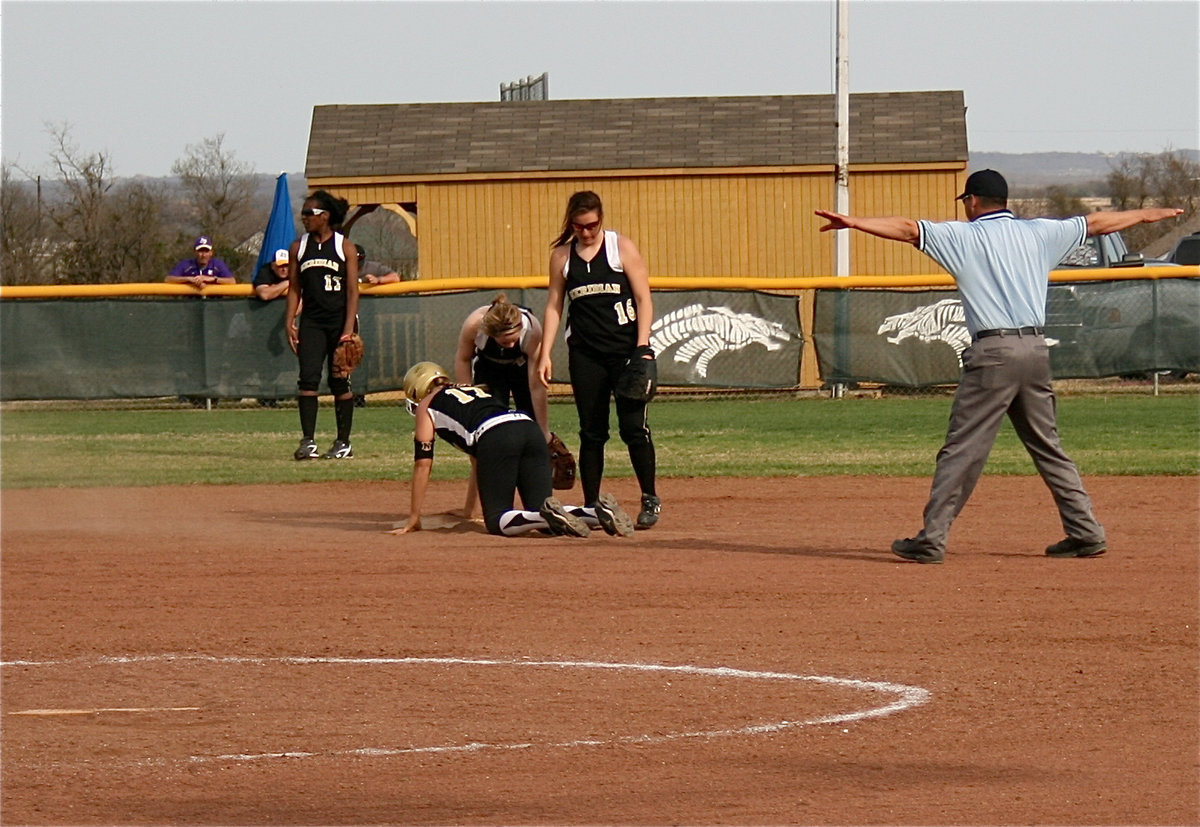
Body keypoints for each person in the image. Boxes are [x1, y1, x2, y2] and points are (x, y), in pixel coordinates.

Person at [815, 169, 1183, 564]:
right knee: (1048, 446)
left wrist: (855, 222)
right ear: (1004, 201)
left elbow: (906, 228)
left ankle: (932, 538)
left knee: (962, 449)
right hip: (1035, 349)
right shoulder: (1040, 233)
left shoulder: (962, 236)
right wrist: (1146, 215)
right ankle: (1086, 531)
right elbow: (1096, 223)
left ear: (973, 201)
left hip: (993, 354)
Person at [392, 361, 634, 538]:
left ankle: (547, 515)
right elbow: (478, 462)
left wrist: (414, 517)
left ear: (417, 390)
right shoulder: (472, 389)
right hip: (528, 427)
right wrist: (468, 510)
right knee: (544, 512)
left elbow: (423, 463)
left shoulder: (427, 404)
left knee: (498, 521)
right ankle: (594, 512)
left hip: (495, 436)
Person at [537, 191, 661, 530]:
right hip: (586, 354)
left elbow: (643, 297)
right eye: (579, 227)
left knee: (634, 429)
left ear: (601, 220)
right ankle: (591, 507)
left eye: (592, 226)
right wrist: (545, 352)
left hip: (625, 352)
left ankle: (649, 497)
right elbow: (554, 306)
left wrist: (643, 346)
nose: (587, 233)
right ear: (571, 224)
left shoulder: (621, 248)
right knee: (592, 433)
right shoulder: (563, 256)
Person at [284, 191, 360, 460]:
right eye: (303, 213)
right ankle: (308, 442)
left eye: (309, 213)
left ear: (324, 216)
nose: (304, 218)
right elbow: (295, 288)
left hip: (339, 321)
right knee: (308, 378)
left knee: (339, 380)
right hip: (312, 323)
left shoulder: (344, 247)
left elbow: (352, 292)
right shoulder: (299, 247)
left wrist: (348, 330)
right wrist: (289, 320)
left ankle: (343, 442)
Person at [166, 235, 236, 286]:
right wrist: (188, 279)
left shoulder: (217, 264)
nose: (203, 255)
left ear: (211, 253)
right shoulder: (187, 264)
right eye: (200, 251)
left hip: (213, 303)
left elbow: (232, 281)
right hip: (191, 303)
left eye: (206, 251)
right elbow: (168, 279)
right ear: (195, 252)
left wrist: (212, 279)